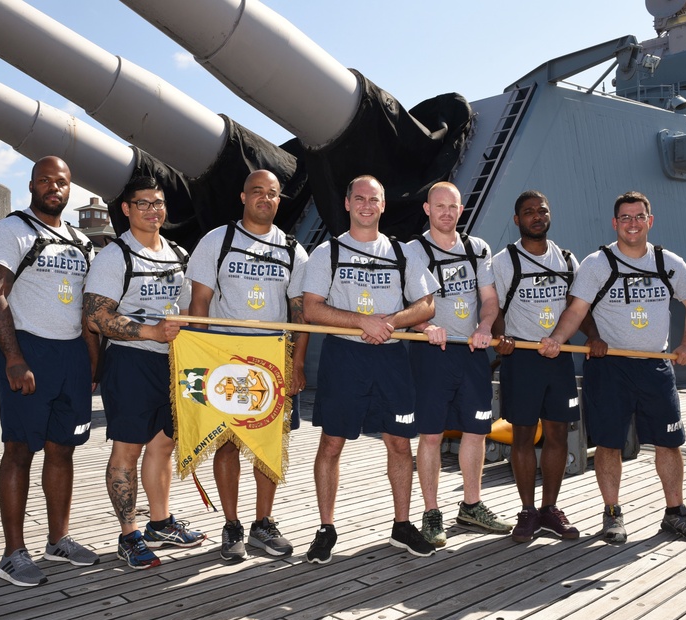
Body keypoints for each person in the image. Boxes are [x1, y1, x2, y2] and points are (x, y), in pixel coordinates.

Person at [539, 191, 686, 544]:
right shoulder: (596, 264)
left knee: (669, 442)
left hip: (655, 367)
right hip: (610, 368)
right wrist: (557, 337)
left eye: (639, 217)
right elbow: (575, 311)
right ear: (615, 223)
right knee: (609, 443)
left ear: (650, 221)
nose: (632, 224)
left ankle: (675, 514)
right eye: (625, 218)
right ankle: (612, 514)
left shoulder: (669, 263)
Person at [303, 175, 439, 564]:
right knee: (332, 443)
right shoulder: (327, 252)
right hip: (345, 357)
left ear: (383, 206)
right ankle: (326, 528)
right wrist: (362, 321)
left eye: (374, 199)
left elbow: (427, 305)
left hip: (393, 358)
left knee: (399, 442)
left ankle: (402, 525)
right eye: (359, 198)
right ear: (347, 204)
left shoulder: (402, 252)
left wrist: (390, 321)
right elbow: (312, 307)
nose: (366, 205)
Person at [0, 156, 100, 587]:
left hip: (70, 355)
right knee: (18, 449)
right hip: (28, 349)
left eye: (62, 182)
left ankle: (58, 540)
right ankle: (12, 553)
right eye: (46, 181)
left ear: (70, 188)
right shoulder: (10, 231)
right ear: (32, 185)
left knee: (62, 449)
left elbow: (87, 308)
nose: (54, 188)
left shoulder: (82, 242)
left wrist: (91, 361)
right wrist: (13, 357)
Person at [186, 169, 309, 561]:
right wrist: (200, 359)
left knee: (268, 449)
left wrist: (298, 363)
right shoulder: (217, 240)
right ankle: (232, 524)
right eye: (257, 191)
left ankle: (262, 524)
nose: (265, 199)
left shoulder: (293, 250)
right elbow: (199, 304)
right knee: (227, 444)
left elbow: (299, 314)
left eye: (272, 194)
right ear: (243, 197)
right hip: (226, 361)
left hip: (272, 362)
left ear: (279, 201)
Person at [83, 176, 205, 570]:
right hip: (130, 362)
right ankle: (129, 535)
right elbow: (96, 315)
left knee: (163, 445)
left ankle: (160, 522)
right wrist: (151, 331)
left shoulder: (179, 254)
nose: (153, 211)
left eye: (158, 203)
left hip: (170, 365)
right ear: (126, 209)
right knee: (128, 450)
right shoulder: (115, 255)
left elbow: (188, 312)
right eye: (143, 204)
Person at [492, 190, 603, 543]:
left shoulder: (568, 260)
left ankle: (550, 509)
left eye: (541, 211)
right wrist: (500, 338)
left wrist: (594, 337)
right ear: (517, 220)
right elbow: (492, 308)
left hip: (558, 358)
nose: (536, 217)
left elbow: (577, 308)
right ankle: (527, 512)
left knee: (558, 435)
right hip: (521, 358)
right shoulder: (504, 261)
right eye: (528, 212)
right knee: (523, 436)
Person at [407, 182, 511, 547]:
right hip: (432, 353)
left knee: (477, 428)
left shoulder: (477, 248)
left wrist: (484, 326)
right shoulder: (414, 251)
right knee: (432, 434)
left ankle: (471, 505)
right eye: (440, 206)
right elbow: (410, 304)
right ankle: (432, 513)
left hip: (471, 352)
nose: (447, 213)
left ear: (461, 210)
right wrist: (425, 326)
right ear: (427, 210)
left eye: (453, 206)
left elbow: (489, 298)